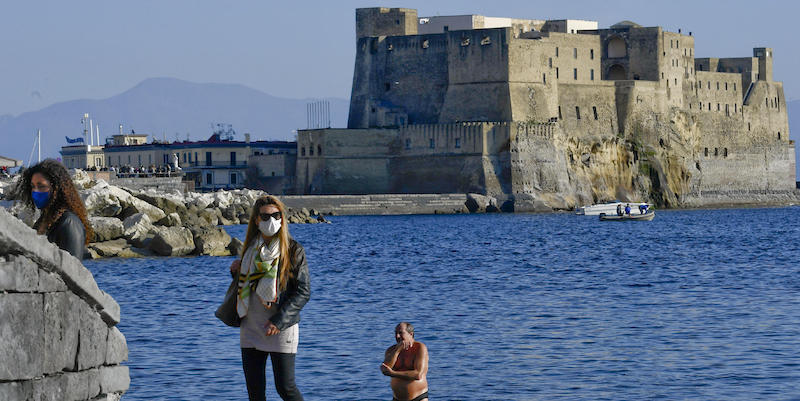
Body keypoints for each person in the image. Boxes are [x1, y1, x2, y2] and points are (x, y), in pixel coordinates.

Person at [229, 195, 310, 401]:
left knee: (285, 388)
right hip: (251, 325)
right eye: (265, 217)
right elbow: (250, 284)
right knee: (255, 393)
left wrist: (279, 321)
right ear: (256, 220)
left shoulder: (293, 250)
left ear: (282, 218)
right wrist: (236, 273)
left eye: (276, 215)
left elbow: (303, 291)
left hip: (280, 327)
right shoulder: (250, 248)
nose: (271, 221)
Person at [18, 159, 93, 259]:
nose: (35, 191)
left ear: (56, 188)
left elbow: (73, 268)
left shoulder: (69, 223)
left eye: (41, 186)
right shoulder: (43, 221)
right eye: (33, 186)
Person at [381, 322, 429, 401]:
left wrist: (393, 373)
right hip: (397, 398)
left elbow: (418, 375)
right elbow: (385, 369)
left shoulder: (420, 348)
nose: (397, 336)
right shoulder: (391, 350)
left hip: (418, 397)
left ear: (411, 334)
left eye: (400, 333)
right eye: (395, 333)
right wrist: (397, 350)